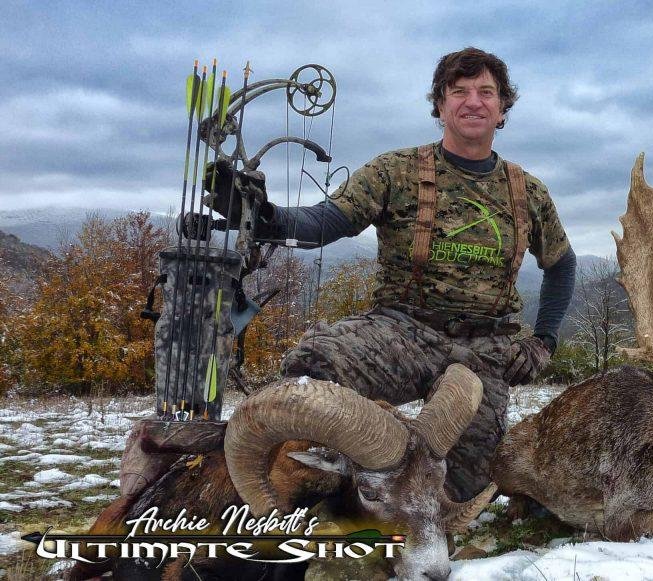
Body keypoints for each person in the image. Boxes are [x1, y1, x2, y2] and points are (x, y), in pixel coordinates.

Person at [203, 47, 576, 502]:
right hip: (401, 333)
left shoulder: (527, 191)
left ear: (502, 108)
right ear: (440, 105)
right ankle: (323, 484)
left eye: (486, 92)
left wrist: (544, 341)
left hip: (485, 349)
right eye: (459, 91)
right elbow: (326, 221)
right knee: (316, 366)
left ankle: (398, 484)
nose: (473, 102)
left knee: (460, 494)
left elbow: (561, 264)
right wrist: (264, 216)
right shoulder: (395, 171)